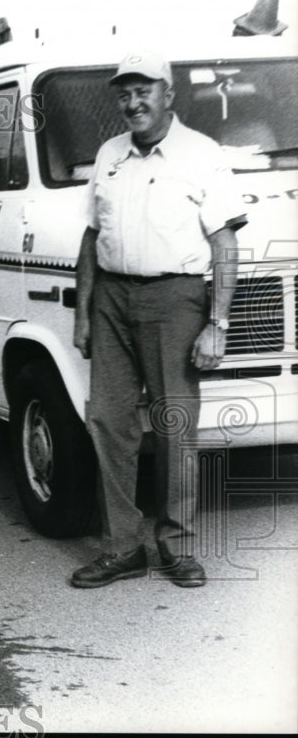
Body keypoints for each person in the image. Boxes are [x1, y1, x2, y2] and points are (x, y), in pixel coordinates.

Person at [71, 50, 247, 589]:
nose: (132, 102)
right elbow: (91, 237)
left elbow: (224, 243)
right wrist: (83, 315)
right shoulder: (109, 153)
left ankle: (175, 547)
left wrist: (216, 324)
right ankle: (123, 548)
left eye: (143, 90)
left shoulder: (202, 154)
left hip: (175, 299)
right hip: (112, 301)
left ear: (167, 94)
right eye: (124, 93)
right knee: (108, 423)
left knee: (175, 427)